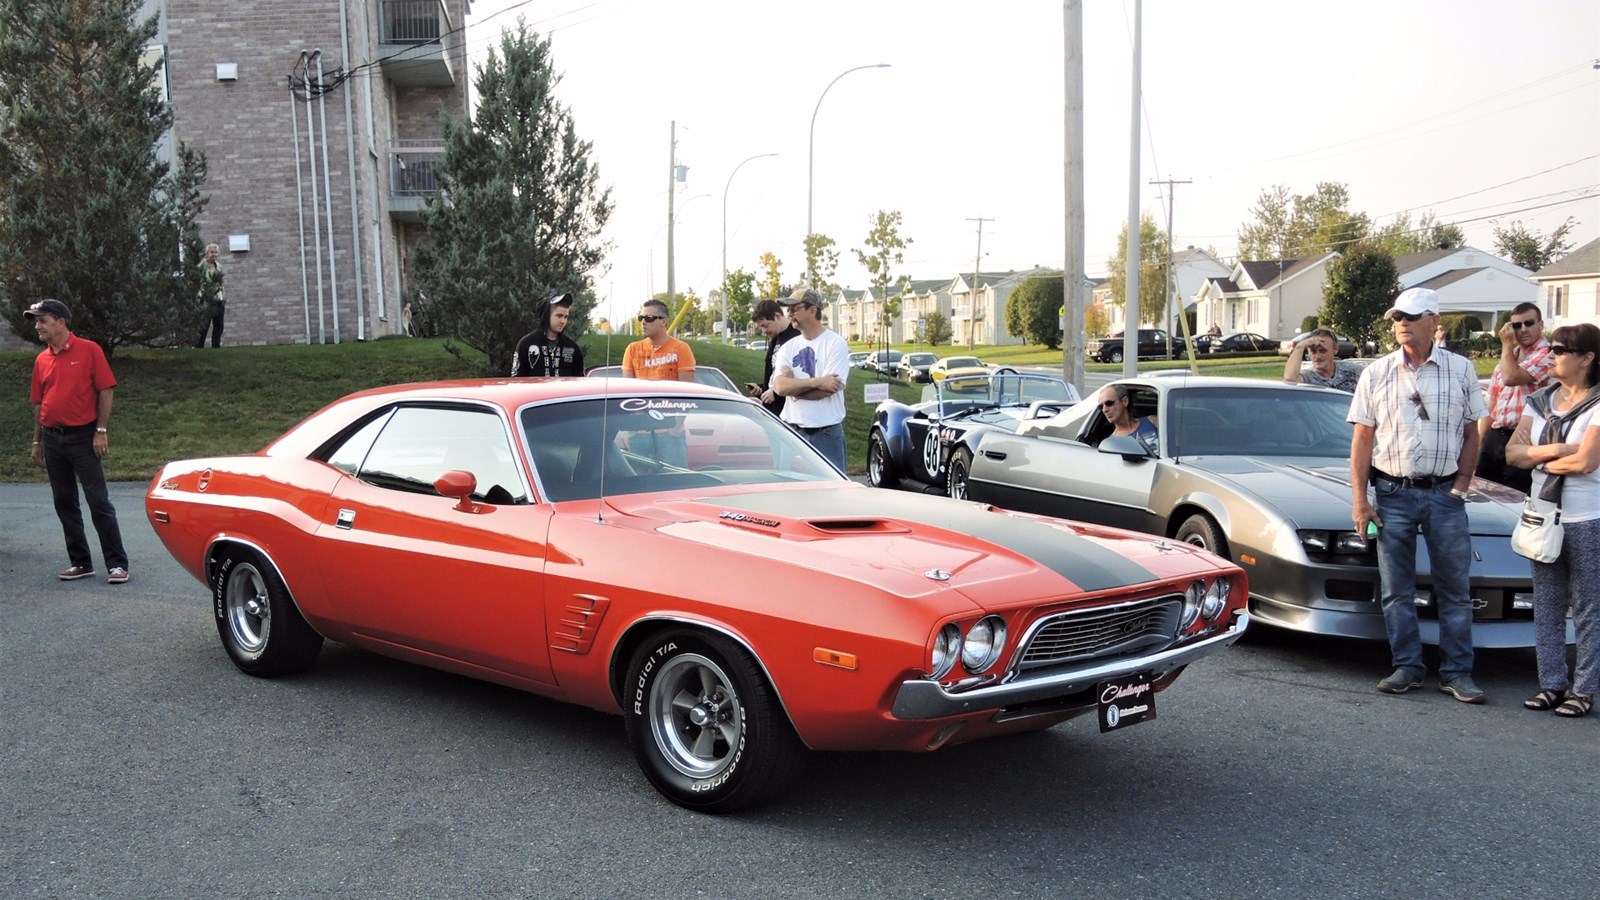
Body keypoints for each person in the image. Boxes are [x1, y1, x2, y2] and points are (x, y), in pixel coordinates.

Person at [1348, 287, 1488, 702]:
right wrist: (1360, 500)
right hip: (1392, 492)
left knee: (1455, 588)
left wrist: (1461, 486)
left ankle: (1457, 672)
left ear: (1433, 320)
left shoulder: (1460, 369)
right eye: (1397, 318)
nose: (1402, 324)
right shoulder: (1376, 372)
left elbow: (1472, 432)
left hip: (1444, 493)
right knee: (1396, 588)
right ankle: (1407, 666)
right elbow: (1362, 440)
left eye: (1411, 316)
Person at [1506, 322, 1600, 719]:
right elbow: (1511, 453)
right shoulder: (1540, 401)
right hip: (1543, 514)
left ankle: (1584, 690)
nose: (1551, 355)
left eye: (1560, 350)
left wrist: (1536, 458)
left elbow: (1586, 462)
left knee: (1589, 606)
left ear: (1587, 358)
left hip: (1587, 516)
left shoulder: (1597, 404)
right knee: (1546, 603)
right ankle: (1552, 684)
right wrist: (1558, 449)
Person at [25, 299, 131, 584]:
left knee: (98, 501)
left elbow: (106, 390)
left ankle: (117, 564)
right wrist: (36, 441)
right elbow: (39, 403)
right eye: (36, 321)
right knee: (64, 502)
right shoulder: (41, 359)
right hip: (52, 438)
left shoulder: (89, 350)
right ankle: (81, 562)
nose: (37, 326)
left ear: (60, 322)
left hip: (83, 437)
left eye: (42, 320)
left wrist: (101, 430)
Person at [772, 287, 850, 471]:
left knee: (832, 486)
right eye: (788, 309)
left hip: (826, 433)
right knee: (789, 485)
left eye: (794, 308)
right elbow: (780, 387)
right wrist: (817, 382)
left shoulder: (835, 344)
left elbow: (827, 390)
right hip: (792, 432)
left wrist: (794, 389)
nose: (789, 313)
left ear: (813, 310)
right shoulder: (788, 347)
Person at [1476, 302, 1552, 493]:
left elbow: (1511, 377)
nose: (1523, 329)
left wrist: (1506, 344)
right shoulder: (1509, 357)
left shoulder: (1547, 354)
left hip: (1524, 436)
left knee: (1516, 494)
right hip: (1496, 434)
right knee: (1485, 493)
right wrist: (1480, 443)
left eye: (1529, 323)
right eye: (1517, 325)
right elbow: (1492, 404)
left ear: (1541, 324)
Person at [511, 291, 585, 377]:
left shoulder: (572, 347)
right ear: (547, 315)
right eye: (559, 316)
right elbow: (517, 379)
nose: (563, 321)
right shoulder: (526, 344)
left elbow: (580, 381)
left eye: (566, 317)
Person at [621, 299, 696, 382]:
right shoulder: (632, 350)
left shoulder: (681, 349)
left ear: (663, 322)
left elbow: (686, 387)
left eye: (648, 318)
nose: (643, 322)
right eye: (641, 318)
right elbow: (629, 386)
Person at [749, 298, 800, 417]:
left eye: (765, 325)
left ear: (777, 316)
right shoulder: (775, 338)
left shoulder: (796, 337)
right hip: (772, 411)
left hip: (789, 412)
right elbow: (774, 373)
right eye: (761, 327)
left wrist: (776, 393)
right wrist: (762, 388)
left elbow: (799, 377)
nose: (764, 331)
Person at [1282, 328, 1360, 393]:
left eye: (1323, 351)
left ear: (1335, 349)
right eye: (1313, 352)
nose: (1318, 356)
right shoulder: (1309, 377)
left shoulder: (1350, 369)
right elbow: (1290, 379)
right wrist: (1300, 346)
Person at [1097, 383, 1159, 454]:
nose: (1104, 410)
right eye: (1101, 406)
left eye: (1109, 403)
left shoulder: (1152, 421)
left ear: (1125, 401)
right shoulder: (1112, 444)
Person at [194, 243, 226, 348]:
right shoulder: (201, 266)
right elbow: (196, 282)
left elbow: (221, 283)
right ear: (207, 253)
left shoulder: (219, 267)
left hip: (218, 298)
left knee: (219, 325)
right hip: (205, 298)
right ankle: (199, 346)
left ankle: (216, 346)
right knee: (204, 325)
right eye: (212, 252)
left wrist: (223, 297)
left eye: (216, 252)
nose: (214, 254)